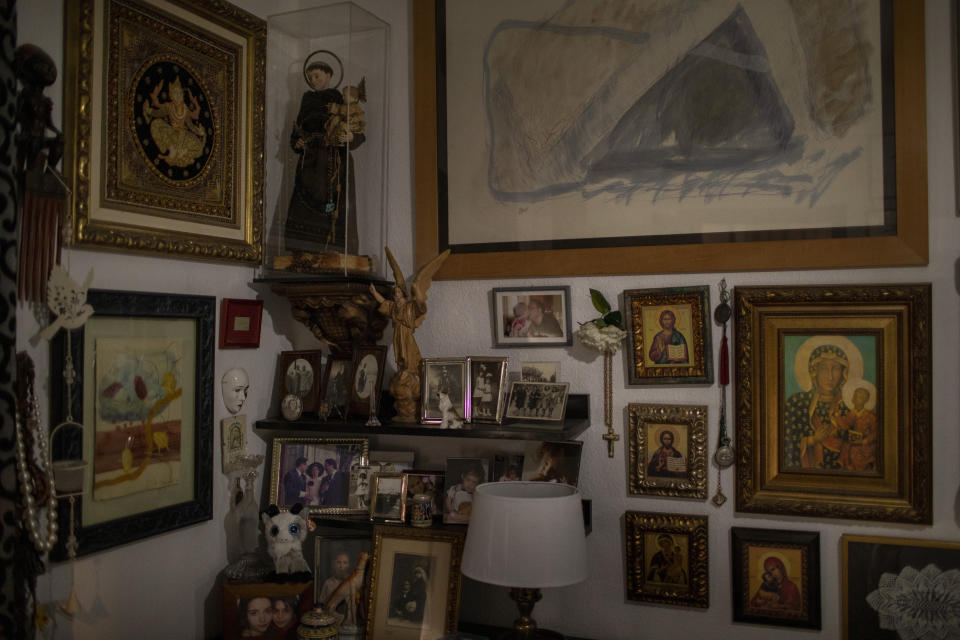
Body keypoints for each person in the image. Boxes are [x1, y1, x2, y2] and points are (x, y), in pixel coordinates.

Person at [284, 59, 364, 255]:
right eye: (310, 77)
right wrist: (298, 142)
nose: (313, 81)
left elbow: (357, 124)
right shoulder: (307, 99)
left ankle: (332, 248)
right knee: (304, 201)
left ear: (329, 76)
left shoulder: (340, 98)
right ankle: (302, 252)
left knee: (333, 203)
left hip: (334, 159)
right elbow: (298, 129)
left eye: (317, 76)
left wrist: (351, 136)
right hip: (310, 162)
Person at [783, 344, 853, 470]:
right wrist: (812, 440)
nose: (830, 376)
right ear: (814, 371)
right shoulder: (797, 403)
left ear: (844, 373)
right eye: (824, 368)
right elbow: (784, 444)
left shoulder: (848, 407)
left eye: (836, 368)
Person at [142, 76, 206, 168]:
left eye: (180, 93)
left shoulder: (185, 109)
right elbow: (158, 113)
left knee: (199, 147)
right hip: (171, 133)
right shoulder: (169, 106)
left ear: (183, 95)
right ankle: (173, 151)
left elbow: (190, 125)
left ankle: (181, 154)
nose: (178, 95)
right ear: (171, 95)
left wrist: (199, 132)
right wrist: (149, 111)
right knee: (156, 123)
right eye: (175, 93)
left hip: (183, 135)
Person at [843, 386, 878, 471]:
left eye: (859, 397)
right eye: (855, 396)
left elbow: (876, 433)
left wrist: (864, 441)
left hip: (865, 448)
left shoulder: (871, 416)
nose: (855, 399)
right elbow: (845, 427)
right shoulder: (849, 414)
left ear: (865, 400)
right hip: (851, 446)